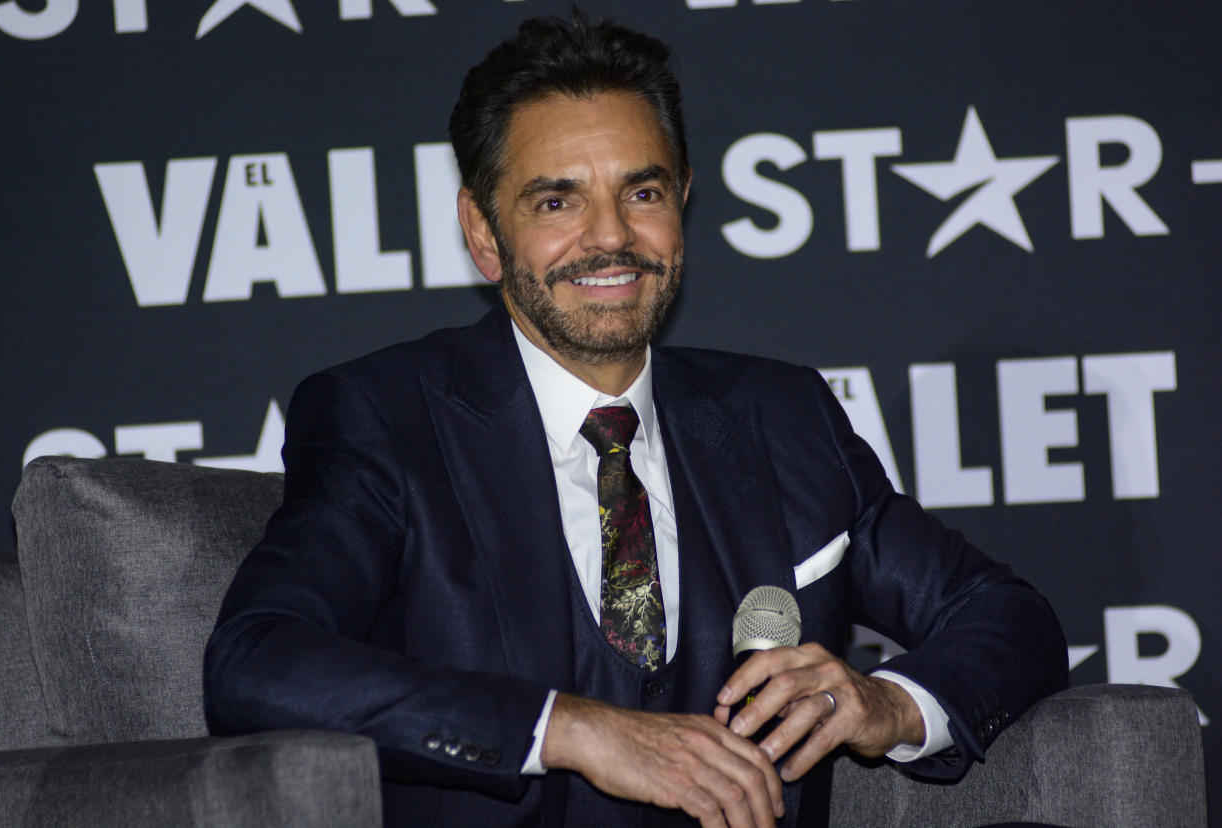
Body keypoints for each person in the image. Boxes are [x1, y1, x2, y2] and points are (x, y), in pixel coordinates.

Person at [204, 12, 1067, 827]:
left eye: (642, 191)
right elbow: (259, 663)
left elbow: (1005, 614)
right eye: (556, 201)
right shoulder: (385, 418)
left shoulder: (784, 417)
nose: (610, 237)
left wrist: (887, 702)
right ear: (483, 231)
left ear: (682, 201)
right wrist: (571, 728)